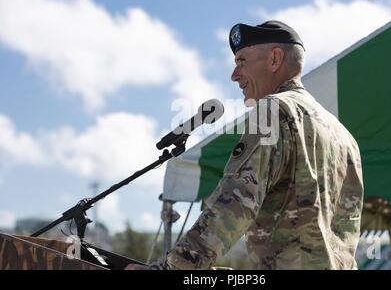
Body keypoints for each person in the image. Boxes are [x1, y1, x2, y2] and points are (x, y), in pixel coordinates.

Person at [126, 20, 364, 270]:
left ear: (274, 59)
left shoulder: (273, 110)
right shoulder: (345, 138)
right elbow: (342, 232)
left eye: (242, 62)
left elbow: (234, 203)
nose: (234, 75)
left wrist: (172, 269)